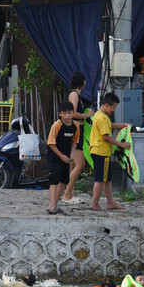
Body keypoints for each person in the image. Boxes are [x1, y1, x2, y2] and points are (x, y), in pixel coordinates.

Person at [88, 92, 131, 211]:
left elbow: (110, 125)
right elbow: (106, 136)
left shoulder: (100, 115)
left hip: (101, 151)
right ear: (107, 105)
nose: (113, 110)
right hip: (101, 151)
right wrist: (121, 144)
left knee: (107, 179)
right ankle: (94, 204)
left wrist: (123, 125)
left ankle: (110, 203)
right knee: (100, 179)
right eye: (113, 108)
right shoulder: (102, 118)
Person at [61, 71, 92, 205]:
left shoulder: (77, 94)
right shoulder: (74, 94)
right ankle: (67, 194)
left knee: (73, 163)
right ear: (82, 82)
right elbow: (72, 113)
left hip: (78, 130)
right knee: (80, 164)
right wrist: (87, 115)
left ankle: (71, 193)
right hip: (76, 131)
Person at [45, 100, 80, 215]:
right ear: (60, 114)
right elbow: (51, 143)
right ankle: (53, 205)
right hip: (54, 156)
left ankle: (53, 204)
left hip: (66, 156)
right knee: (54, 181)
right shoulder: (57, 125)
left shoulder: (76, 125)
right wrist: (61, 156)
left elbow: (75, 141)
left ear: (73, 113)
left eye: (70, 113)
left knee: (64, 181)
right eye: (65, 113)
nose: (68, 115)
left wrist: (72, 153)